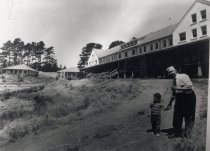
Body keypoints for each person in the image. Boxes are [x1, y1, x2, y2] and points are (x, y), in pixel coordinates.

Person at [166, 66, 196, 138]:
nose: (170, 73)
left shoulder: (183, 76)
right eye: (168, 73)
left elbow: (189, 87)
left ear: (175, 70)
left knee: (188, 115)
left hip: (189, 97)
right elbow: (174, 93)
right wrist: (170, 103)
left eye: (171, 71)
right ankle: (177, 132)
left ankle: (187, 133)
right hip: (180, 97)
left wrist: (177, 88)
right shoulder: (173, 80)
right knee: (177, 114)